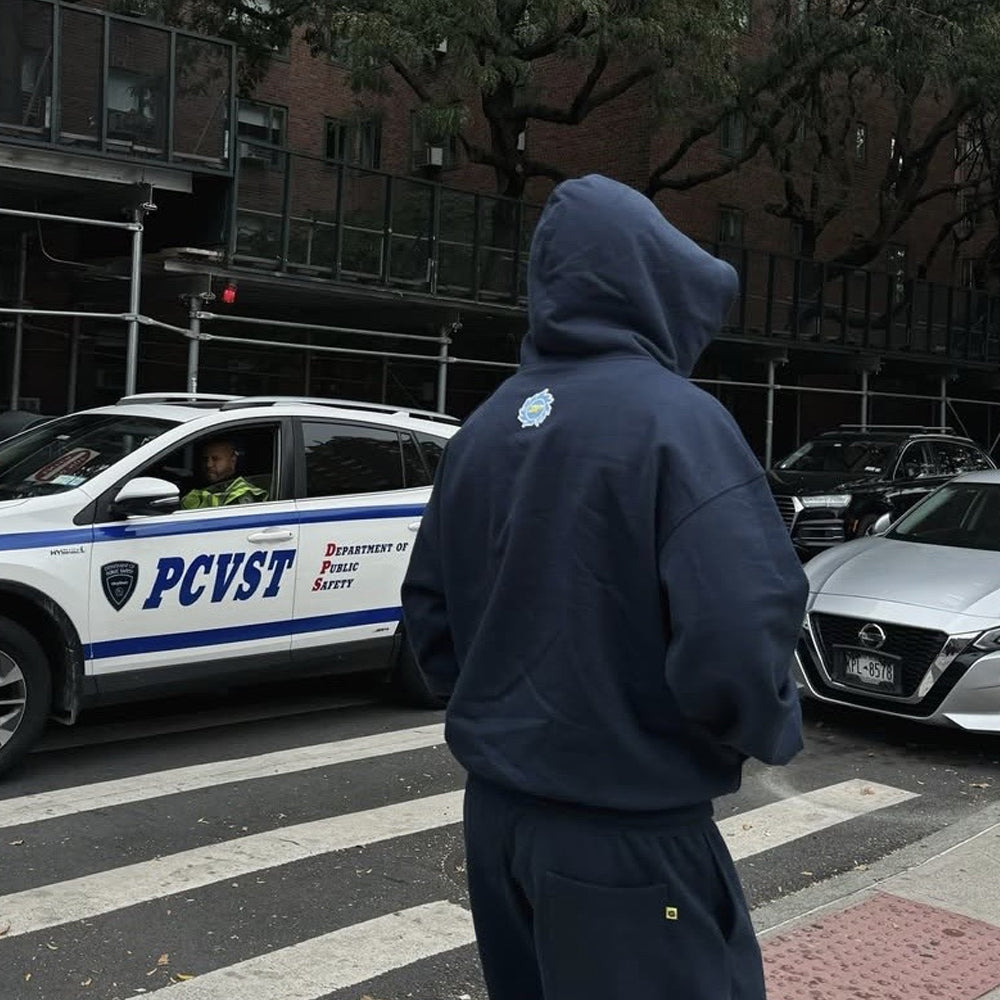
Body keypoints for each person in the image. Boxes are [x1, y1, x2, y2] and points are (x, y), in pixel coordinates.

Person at [401, 174, 809, 1000]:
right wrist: (748, 729)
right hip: (628, 832)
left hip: (498, 825)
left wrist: (512, 711)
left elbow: (430, 621)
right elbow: (739, 624)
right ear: (653, 286)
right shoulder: (677, 423)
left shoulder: (482, 432)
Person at [180, 438, 268, 509]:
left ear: (233, 460)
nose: (208, 465)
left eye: (215, 459)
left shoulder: (242, 492)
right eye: (205, 459)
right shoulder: (193, 485)